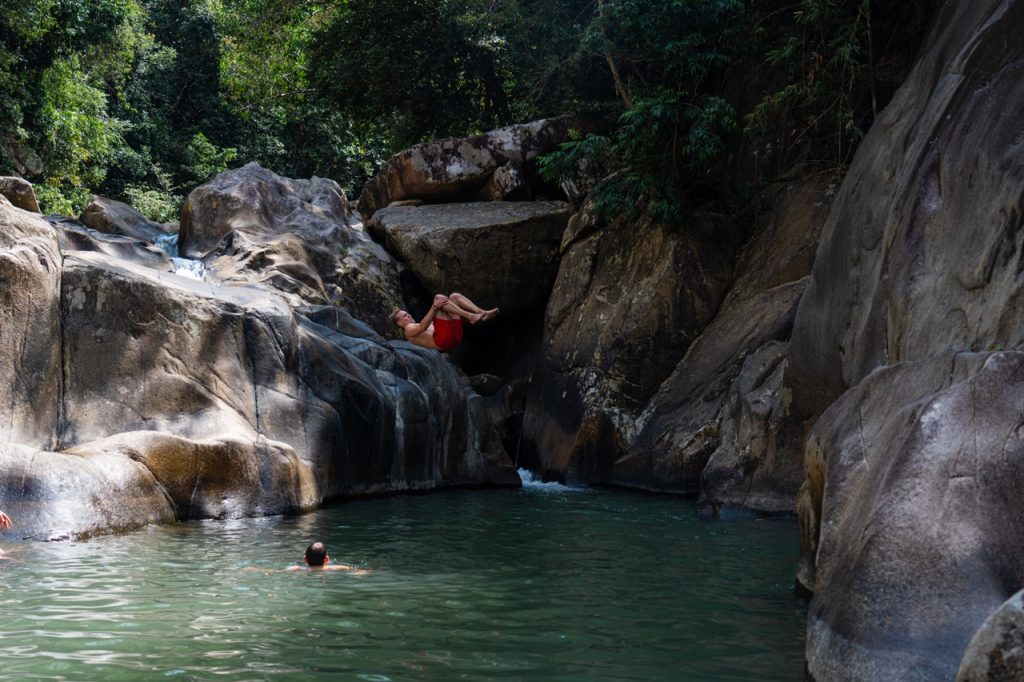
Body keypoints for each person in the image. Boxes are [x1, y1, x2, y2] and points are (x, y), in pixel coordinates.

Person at [392, 293, 499, 352]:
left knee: (454, 297)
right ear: (400, 323)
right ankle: (470, 316)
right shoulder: (408, 329)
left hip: (454, 336)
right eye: (405, 316)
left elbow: (438, 322)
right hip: (443, 340)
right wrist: (435, 306)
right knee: (438, 298)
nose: (409, 315)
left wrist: (444, 307)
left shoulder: (417, 325)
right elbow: (423, 327)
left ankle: (482, 313)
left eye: (407, 313)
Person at [287, 541, 358, 572]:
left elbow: (278, 571)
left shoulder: (298, 569)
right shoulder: (333, 568)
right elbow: (353, 569)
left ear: (305, 559)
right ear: (326, 559)